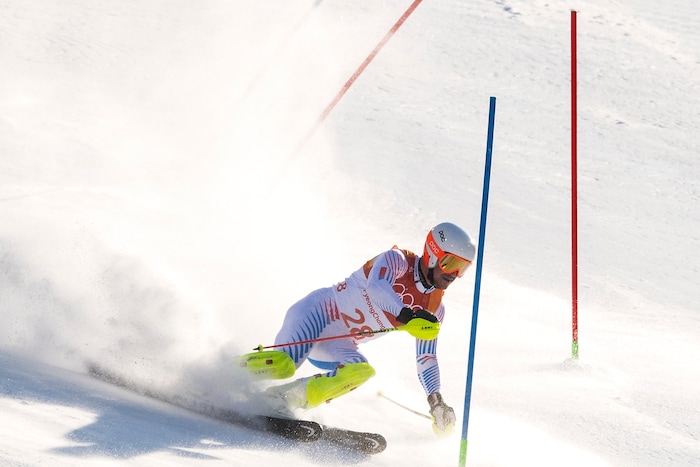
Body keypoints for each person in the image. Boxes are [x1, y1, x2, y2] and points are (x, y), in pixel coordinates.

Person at [240, 222, 475, 434]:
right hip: (317, 313)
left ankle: (282, 400)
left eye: (462, 268)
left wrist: (436, 403)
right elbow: (376, 287)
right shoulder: (397, 261)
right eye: (450, 264)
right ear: (433, 255)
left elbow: (426, 356)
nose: (454, 275)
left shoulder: (434, 309)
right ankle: (221, 376)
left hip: (338, 343)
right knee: (284, 365)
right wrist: (406, 316)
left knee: (361, 371)